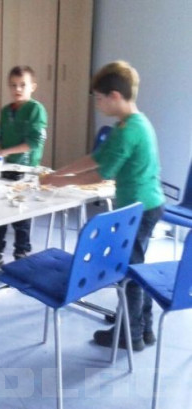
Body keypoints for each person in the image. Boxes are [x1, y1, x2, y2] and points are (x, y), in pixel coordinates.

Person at [41, 61, 165, 351]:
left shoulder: (128, 131)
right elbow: (96, 158)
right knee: (138, 267)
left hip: (139, 209)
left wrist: (61, 183)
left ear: (115, 96)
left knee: (129, 271)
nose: (97, 104)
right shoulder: (132, 123)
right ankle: (144, 329)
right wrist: (59, 173)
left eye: (99, 98)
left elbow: (101, 173)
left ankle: (130, 335)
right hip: (148, 204)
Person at [0, 66, 48, 272]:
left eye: (23, 85)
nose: (17, 89)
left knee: (21, 213)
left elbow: (34, 142)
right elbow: (3, 139)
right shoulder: (6, 111)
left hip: (26, 169)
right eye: (13, 85)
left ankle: (21, 254)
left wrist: (5, 151)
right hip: (4, 168)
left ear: (33, 87)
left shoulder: (36, 110)